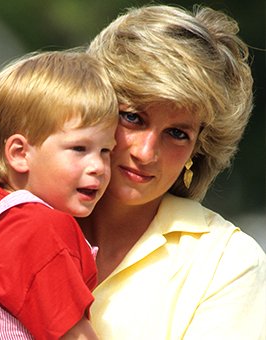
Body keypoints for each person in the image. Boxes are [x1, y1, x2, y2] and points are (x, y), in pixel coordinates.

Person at [78, 5, 266, 339]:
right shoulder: (18, 216)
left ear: (198, 149)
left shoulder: (228, 263)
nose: (145, 152)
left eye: (177, 133)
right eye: (133, 117)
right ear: (95, 104)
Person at [0, 51, 118, 339]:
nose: (98, 166)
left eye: (105, 150)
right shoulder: (37, 228)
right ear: (20, 154)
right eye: (79, 149)